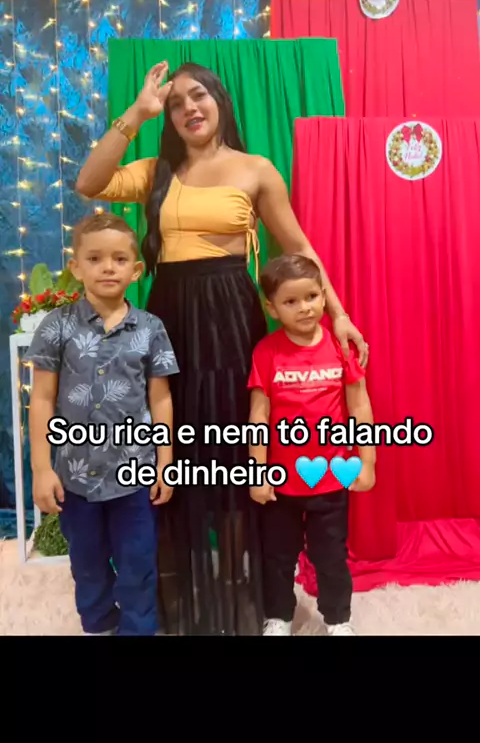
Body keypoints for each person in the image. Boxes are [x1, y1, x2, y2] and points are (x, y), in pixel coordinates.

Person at [75, 59, 369, 636]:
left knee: (234, 444)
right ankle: (178, 592)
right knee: (173, 441)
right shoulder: (156, 171)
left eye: (199, 95)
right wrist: (137, 113)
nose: (189, 107)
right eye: (176, 101)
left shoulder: (256, 169)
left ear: (220, 101)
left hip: (231, 318)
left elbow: (299, 248)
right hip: (169, 318)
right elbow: (89, 183)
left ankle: (242, 595)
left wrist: (338, 314)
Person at [25, 213, 179, 636]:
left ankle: (138, 629)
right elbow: (42, 399)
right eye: (94, 258)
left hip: (136, 475)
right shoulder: (56, 326)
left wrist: (166, 461)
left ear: (136, 269)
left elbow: (160, 398)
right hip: (76, 479)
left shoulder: (151, 329)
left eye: (119, 259)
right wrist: (41, 468)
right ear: (76, 267)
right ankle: (99, 626)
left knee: (138, 564)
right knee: (88, 564)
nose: (108, 267)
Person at [248, 254, 376, 636]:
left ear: (323, 296)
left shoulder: (341, 347)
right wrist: (256, 472)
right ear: (272, 308)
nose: (304, 307)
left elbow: (359, 405)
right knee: (278, 557)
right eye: (291, 301)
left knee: (330, 557)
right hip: (281, 483)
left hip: (332, 478)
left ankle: (338, 619)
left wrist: (367, 461)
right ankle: (278, 616)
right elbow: (258, 416)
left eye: (311, 297)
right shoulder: (267, 352)